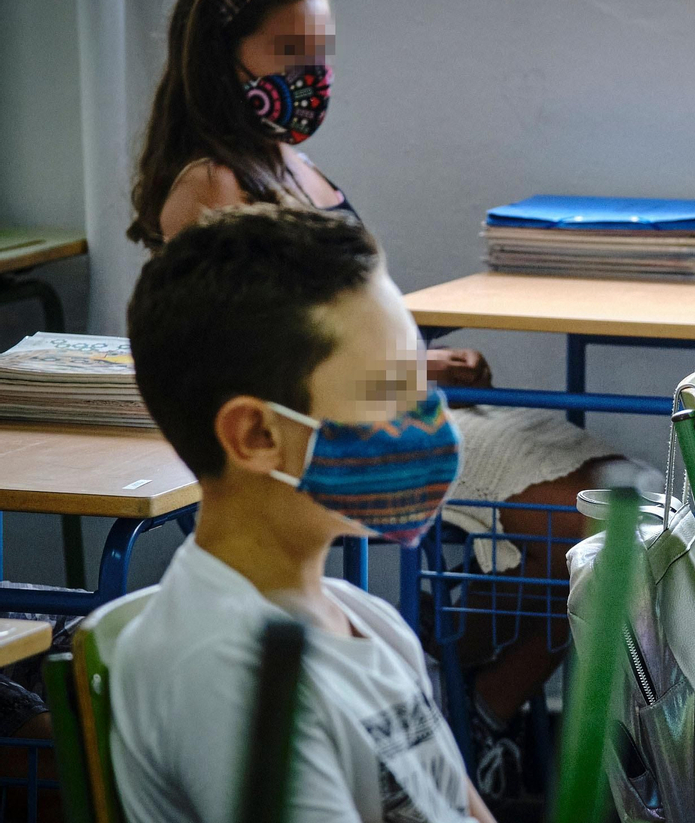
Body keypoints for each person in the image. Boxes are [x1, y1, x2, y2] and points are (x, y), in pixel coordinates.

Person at [125, 0, 641, 801]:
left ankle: (475, 696)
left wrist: (422, 345)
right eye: (289, 55)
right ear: (220, 59)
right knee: (574, 524)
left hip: (381, 396)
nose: (312, 77)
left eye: (321, 55)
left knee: (609, 500)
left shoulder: (300, 169)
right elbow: (257, 347)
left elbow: (348, 318)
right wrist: (413, 368)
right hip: (344, 405)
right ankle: (488, 704)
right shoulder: (216, 187)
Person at [114, 205, 493, 822]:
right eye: (387, 392)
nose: (429, 421)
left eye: (418, 384)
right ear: (257, 435)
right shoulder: (230, 676)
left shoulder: (367, 620)